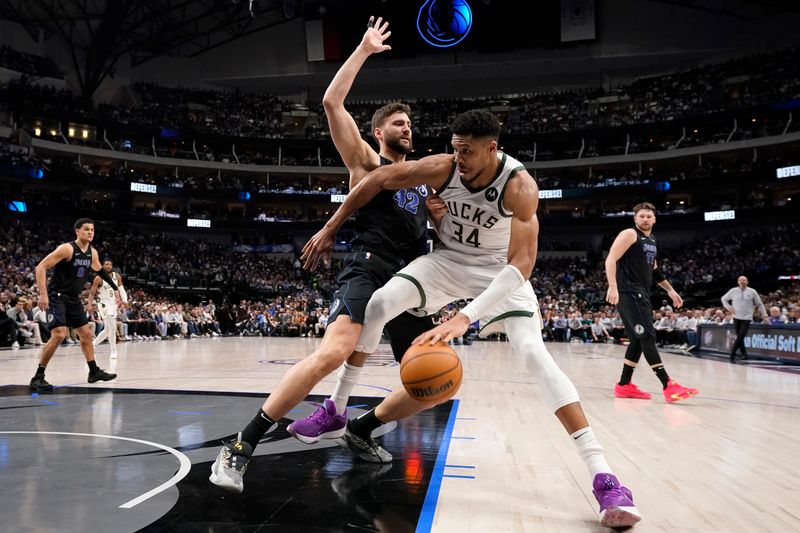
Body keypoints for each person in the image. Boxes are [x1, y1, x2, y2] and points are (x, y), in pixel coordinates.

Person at [211, 110, 641, 529]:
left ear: (492, 149)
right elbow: (377, 179)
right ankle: (336, 409)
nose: (460, 160)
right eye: (455, 151)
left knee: (534, 355)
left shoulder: (519, 186)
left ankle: (605, 479)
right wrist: (332, 226)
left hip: (499, 272)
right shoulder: (442, 167)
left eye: (468, 153)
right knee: (379, 304)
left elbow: (521, 265)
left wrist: (466, 318)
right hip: (446, 262)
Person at [272, 16, 444, 443]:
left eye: (410, 124)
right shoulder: (368, 163)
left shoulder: (422, 182)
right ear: (378, 132)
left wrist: (442, 217)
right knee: (339, 351)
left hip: (411, 281)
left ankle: (361, 428)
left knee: (433, 383)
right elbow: (332, 102)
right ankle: (315, 413)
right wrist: (364, 50)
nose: (407, 128)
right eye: (399, 124)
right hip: (371, 267)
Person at [605, 203, 698, 403]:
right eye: (642, 216)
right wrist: (612, 286)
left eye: (649, 216)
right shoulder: (630, 234)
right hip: (629, 292)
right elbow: (611, 259)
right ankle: (667, 384)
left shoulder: (652, 240)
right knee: (647, 335)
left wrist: (671, 290)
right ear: (635, 219)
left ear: (654, 219)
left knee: (638, 339)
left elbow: (655, 271)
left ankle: (624, 385)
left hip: (642, 293)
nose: (645, 219)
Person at [29, 218, 119, 391]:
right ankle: (38, 377)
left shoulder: (92, 253)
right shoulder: (67, 248)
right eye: (86, 229)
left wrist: (115, 288)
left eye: (92, 229)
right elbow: (40, 267)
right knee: (59, 335)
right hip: (57, 296)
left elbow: (100, 270)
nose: (90, 232)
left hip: (73, 298)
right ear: (77, 231)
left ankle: (94, 372)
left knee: (86, 334)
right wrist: (43, 294)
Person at [720, 275, 768, 362]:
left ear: (747, 282)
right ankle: (744, 354)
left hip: (747, 317)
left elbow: (759, 304)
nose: (742, 281)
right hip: (736, 317)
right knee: (739, 337)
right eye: (740, 280)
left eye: (744, 280)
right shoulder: (733, 291)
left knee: (741, 335)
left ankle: (732, 353)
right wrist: (729, 307)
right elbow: (723, 298)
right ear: (738, 282)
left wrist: (765, 315)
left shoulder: (752, 291)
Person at [88, 258, 127, 358]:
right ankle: (113, 351)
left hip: (113, 304)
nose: (108, 266)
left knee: (107, 330)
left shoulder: (116, 276)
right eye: (106, 264)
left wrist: (125, 301)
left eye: (110, 264)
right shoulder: (98, 278)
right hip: (103, 304)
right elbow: (92, 293)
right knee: (113, 328)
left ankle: (92, 345)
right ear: (102, 265)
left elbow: (121, 289)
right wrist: (89, 304)